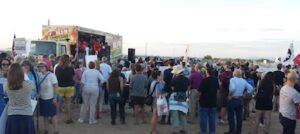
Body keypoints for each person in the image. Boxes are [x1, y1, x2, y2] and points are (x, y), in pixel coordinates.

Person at [4, 63, 36, 134]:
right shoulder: (29, 83)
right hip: (26, 115)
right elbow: (33, 90)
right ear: (22, 72)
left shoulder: (6, 85)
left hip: (12, 115)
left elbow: (6, 94)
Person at [225, 69, 254, 134]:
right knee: (239, 117)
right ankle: (238, 131)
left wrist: (230, 95)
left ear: (234, 74)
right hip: (240, 99)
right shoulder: (243, 80)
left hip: (233, 99)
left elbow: (232, 88)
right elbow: (251, 88)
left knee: (231, 116)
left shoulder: (232, 79)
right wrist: (245, 94)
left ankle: (232, 131)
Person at [37, 62, 59, 134]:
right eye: (39, 67)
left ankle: (55, 130)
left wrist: (55, 97)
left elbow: (56, 86)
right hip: (42, 98)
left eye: (42, 67)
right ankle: (46, 129)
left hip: (50, 98)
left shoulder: (51, 75)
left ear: (46, 67)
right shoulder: (39, 75)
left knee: (53, 115)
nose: (41, 69)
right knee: (44, 115)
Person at [169, 65, 190, 134]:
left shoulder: (174, 79)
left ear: (177, 72)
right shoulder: (187, 79)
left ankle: (175, 131)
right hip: (183, 97)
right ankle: (184, 129)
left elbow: (172, 88)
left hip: (174, 98)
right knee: (182, 114)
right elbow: (188, 88)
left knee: (174, 114)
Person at [55, 54, 75, 124]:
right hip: (69, 87)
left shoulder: (58, 68)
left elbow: (56, 78)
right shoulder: (71, 67)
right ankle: (69, 118)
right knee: (68, 103)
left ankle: (55, 119)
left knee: (58, 104)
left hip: (60, 87)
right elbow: (73, 76)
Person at [198, 68, 219, 134]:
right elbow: (218, 91)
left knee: (203, 118)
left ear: (207, 72)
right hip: (213, 101)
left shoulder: (204, 80)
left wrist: (198, 97)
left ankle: (203, 131)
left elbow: (200, 92)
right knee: (212, 118)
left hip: (204, 102)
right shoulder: (216, 80)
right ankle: (212, 131)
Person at [160, 59, 175, 124]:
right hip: (172, 89)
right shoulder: (174, 72)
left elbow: (163, 80)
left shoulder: (165, 71)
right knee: (171, 104)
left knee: (164, 104)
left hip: (166, 88)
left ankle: (163, 119)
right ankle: (169, 120)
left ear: (168, 64)